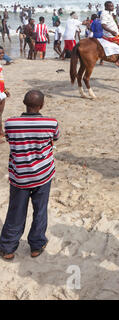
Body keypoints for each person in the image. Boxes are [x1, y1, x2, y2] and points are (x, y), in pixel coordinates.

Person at [0, 90, 60, 261]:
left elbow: (11, 141)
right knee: (40, 210)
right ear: (41, 105)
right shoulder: (51, 123)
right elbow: (55, 138)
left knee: (16, 211)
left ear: (24, 104)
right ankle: (36, 245)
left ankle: (8, 247)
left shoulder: (11, 123)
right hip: (43, 174)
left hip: (19, 176)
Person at [101, 1, 119, 67]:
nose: (113, 7)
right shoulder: (104, 14)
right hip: (111, 35)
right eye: (111, 6)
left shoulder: (109, 13)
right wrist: (112, 31)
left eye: (112, 6)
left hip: (114, 33)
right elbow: (103, 25)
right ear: (106, 7)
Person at [0, 47, 10, 136]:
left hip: (1, 90)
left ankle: (0, 131)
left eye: (3, 53)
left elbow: (1, 79)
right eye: (0, 53)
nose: (2, 55)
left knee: (1, 113)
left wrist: (5, 89)